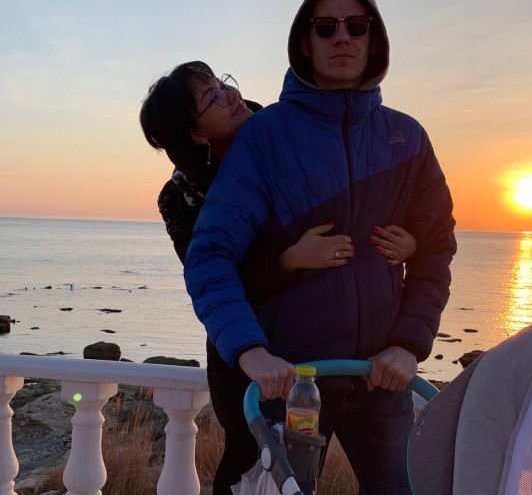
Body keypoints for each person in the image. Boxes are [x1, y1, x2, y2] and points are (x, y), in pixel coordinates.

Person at [185, 0, 456, 494]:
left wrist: (408, 344)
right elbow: (210, 255)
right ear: (305, 42)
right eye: (326, 27)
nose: (342, 37)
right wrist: (251, 351)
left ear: (375, 39)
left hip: (382, 378)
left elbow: (436, 250)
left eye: (357, 26)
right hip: (291, 384)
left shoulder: (408, 137)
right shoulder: (266, 136)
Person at [139, 60, 418, 494]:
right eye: (212, 97)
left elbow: (355, 199)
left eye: (223, 83)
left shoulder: (284, 134)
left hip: (331, 342)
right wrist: (288, 260)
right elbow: (215, 276)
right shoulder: (181, 194)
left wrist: (412, 241)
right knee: (252, 465)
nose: (230, 94)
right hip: (249, 351)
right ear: (195, 134)